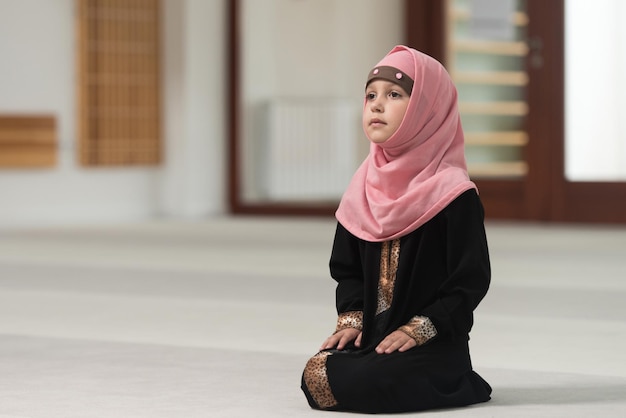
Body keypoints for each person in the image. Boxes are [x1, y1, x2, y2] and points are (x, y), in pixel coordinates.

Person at [300, 45, 492, 413]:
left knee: (373, 381)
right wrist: (353, 318)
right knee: (317, 373)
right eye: (370, 95)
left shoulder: (453, 192)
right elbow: (347, 268)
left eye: (394, 95)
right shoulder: (363, 186)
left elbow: (470, 279)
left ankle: (452, 376)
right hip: (372, 338)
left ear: (427, 107)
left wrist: (419, 328)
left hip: (433, 343)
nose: (376, 105)